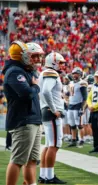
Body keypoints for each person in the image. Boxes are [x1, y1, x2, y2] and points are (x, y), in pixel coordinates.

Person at [3, 40, 44, 185]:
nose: (37, 60)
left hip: (32, 118)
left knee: (32, 160)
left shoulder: (25, 70)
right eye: (33, 56)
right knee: (18, 160)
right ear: (23, 55)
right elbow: (26, 93)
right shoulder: (14, 72)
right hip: (23, 120)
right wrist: (36, 87)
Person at [38, 51, 67, 184]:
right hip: (51, 112)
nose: (62, 65)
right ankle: (49, 177)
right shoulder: (51, 73)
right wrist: (55, 109)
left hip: (45, 110)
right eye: (60, 63)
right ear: (53, 62)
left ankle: (43, 175)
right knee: (54, 145)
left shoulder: (44, 73)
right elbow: (45, 91)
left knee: (49, 144)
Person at [67, 67, 88, 147]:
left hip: (78, 105)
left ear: (80, 74)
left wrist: (82, 108)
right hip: (71, 105)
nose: (74, 75)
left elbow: (85, 97)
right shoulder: (71, 83)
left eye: (76, 73)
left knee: (79, 124)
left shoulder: (82, 83)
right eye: (73, 73)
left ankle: (82, 140)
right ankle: (73, 140)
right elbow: (69, 94)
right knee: (72, 124)